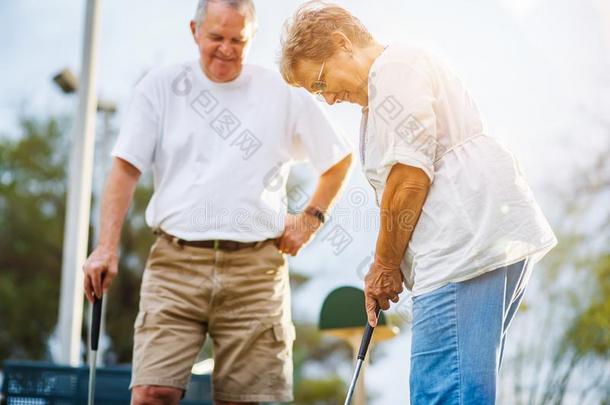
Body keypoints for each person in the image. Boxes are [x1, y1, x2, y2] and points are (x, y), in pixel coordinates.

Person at [279, 2, 557, 404]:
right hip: (473, 243)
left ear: (342, 44)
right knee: (459, 391)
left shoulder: (394, 69)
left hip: (460, 247)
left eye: (320, 83)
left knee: (444, 393)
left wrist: (384, 265)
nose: (327, 99)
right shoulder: (385, 87)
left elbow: (408, 178)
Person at [82, 1, 353, 404]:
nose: (225, 49)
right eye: (215, 37)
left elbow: (337, 158)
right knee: (152, 392)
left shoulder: (280, 90)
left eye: (237, 40)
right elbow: (125, 169)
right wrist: (105, 248)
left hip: (255, 271)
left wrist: (310, 219)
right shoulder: (160, 85)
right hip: (175, 264)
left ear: (251, 37)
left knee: (249, 400)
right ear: (194, 30)